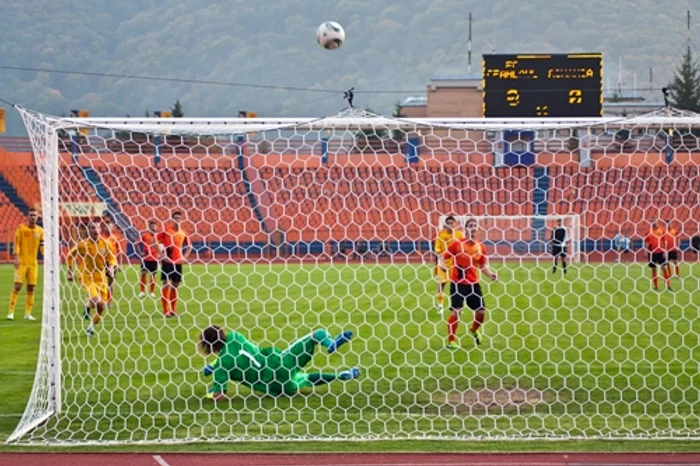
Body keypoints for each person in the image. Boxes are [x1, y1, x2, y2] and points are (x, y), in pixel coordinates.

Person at [199, 325, 360, 399]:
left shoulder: (222, 365)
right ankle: (330, 344)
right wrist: (215, 367)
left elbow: (220, 394)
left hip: (278, 387)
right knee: (315, 335)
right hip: (279, 363)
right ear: (223, 334)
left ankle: (340, 375)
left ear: (208, 346)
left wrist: (214, 389)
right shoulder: (235, 336)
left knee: (304, 378)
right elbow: (239, 353)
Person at [443, 217, 498, 348]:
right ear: (465, 228)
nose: (472, 227)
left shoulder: (481, 247)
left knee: (481, 312)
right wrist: (442, 265)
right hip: (457, 283)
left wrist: (490, 274)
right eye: (470, 225)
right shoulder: (457, 244)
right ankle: (451, 341)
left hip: (473, 284)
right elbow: (443, 256)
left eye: (474, 225)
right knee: (456, 311)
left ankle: (474, 329)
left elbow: (483, 266)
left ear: (477, 229)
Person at [66, 221, 116, 336]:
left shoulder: (106, 243)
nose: (95, 230)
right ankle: (89, 303)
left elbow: (112, 258)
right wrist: (70, 272)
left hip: (101, 278)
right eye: (93, 228)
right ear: (89, 230)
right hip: (87, 277)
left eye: (97, 227)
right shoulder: (82, 245)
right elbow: (70, 255)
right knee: (98, 302)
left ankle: (90, 328)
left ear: (100, 229)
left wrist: (111, 268)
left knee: (101, 308)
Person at [7, 208, 44, 321]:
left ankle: (28, 314)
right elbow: (16, 242)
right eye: (31, 215)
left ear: (37, 217)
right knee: (17, 286)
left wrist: (45, 254)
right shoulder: (21, 228)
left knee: (31, 287)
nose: (33, 217)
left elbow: (42, 245)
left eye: (34, 215)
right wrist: (16, 257)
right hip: (22, 262)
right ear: (27, 217)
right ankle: (11, 312)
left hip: (33, 263)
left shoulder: (40, 231)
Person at [157, 211, 191, 317]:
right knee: (166, 284)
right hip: (168, 262)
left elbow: (189, 246)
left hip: (177, 262)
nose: (177, 219)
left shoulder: (183, 233)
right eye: (175, 217)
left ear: (182, 220)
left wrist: (184, 257)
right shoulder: (166, 230)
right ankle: (165, 311)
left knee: (175, 286)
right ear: (172, 219)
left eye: (179, 218)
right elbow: (154, 241)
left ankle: (173, 310)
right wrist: (162, 255)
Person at [433, 216, 464, 313]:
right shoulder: (440, 235)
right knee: (441, 285)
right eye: (448, 223)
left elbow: (463, 247)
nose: (450, 225)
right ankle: (440, 306)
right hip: (442, 264)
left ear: (455, 224)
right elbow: (437, 248)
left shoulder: (459, 234)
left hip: (455, 264)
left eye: (452, 223)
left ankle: (457, 306)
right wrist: (441, 257)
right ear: (445, 224)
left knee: (457, 286)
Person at [645, 220, 671, 291]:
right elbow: (646, 242)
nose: (654, 224)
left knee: (664, 268)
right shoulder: (648, 231)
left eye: (655, 222)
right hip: (652, 252)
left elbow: (665, 241)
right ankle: (656, 286)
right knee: (654, 269)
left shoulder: (662, 230)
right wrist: (645, 251)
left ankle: (668, 286)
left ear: (657, 222)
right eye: (652, 222)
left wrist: (665, 251)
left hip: (661, 251)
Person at [138, 219, 160, 297]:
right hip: (145, 259)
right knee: (143, 274)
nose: (153, 227)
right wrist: (140, 252)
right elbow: (136, 243)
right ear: (149, 227)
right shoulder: (144, 235)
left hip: (154, 258)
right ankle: (142, 291)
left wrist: (161, 253)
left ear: (156, 227)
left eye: (154, 226)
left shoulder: (159, 236)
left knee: (153, 275)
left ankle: (152, 292)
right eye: (151, 226)